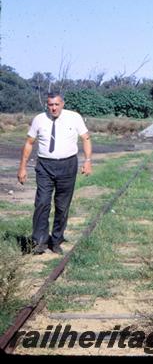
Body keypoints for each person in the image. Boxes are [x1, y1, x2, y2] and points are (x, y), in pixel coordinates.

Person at [17, 92, 93, 254]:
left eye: (56, 104)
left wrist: (87, 161)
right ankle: (39, 241)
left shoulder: (74, 117)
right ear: (47, 105)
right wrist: (22, 167)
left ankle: (56, 239)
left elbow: (86, 138)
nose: (53, 108)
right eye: (50, 105)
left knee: (62, 205)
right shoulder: (39, 119)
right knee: (42, 202)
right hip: (45, 165)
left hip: (67, 165)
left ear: (62, 104)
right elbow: (29, 143)